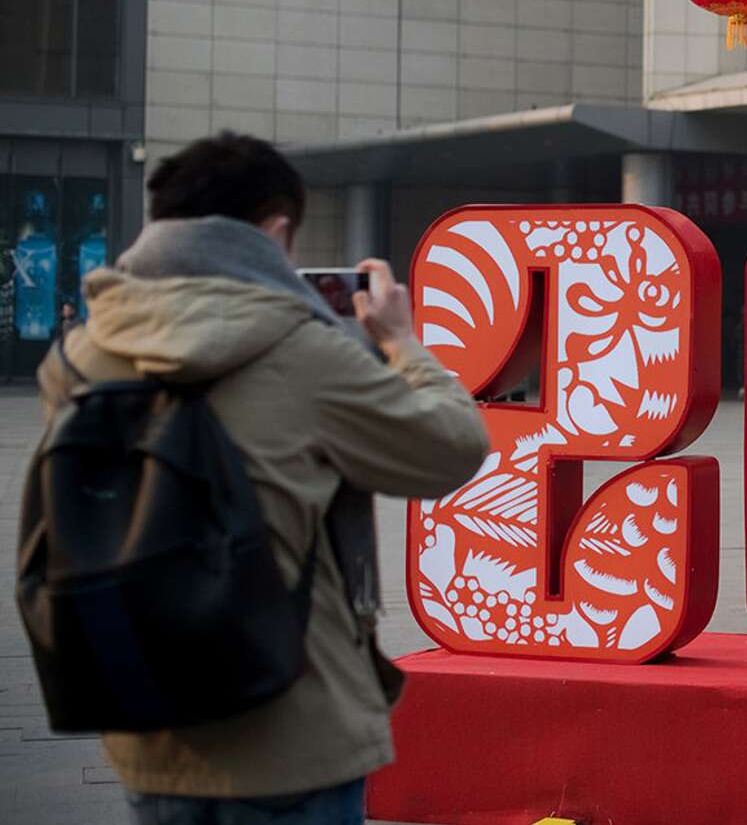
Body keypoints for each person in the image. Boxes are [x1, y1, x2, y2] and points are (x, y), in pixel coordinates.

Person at [35, 133, 490, 824]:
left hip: (149, 728)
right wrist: (400, 342)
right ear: (275, 231)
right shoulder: (302, 351)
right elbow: (452, 447)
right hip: (291, 731)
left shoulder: (79, 356)